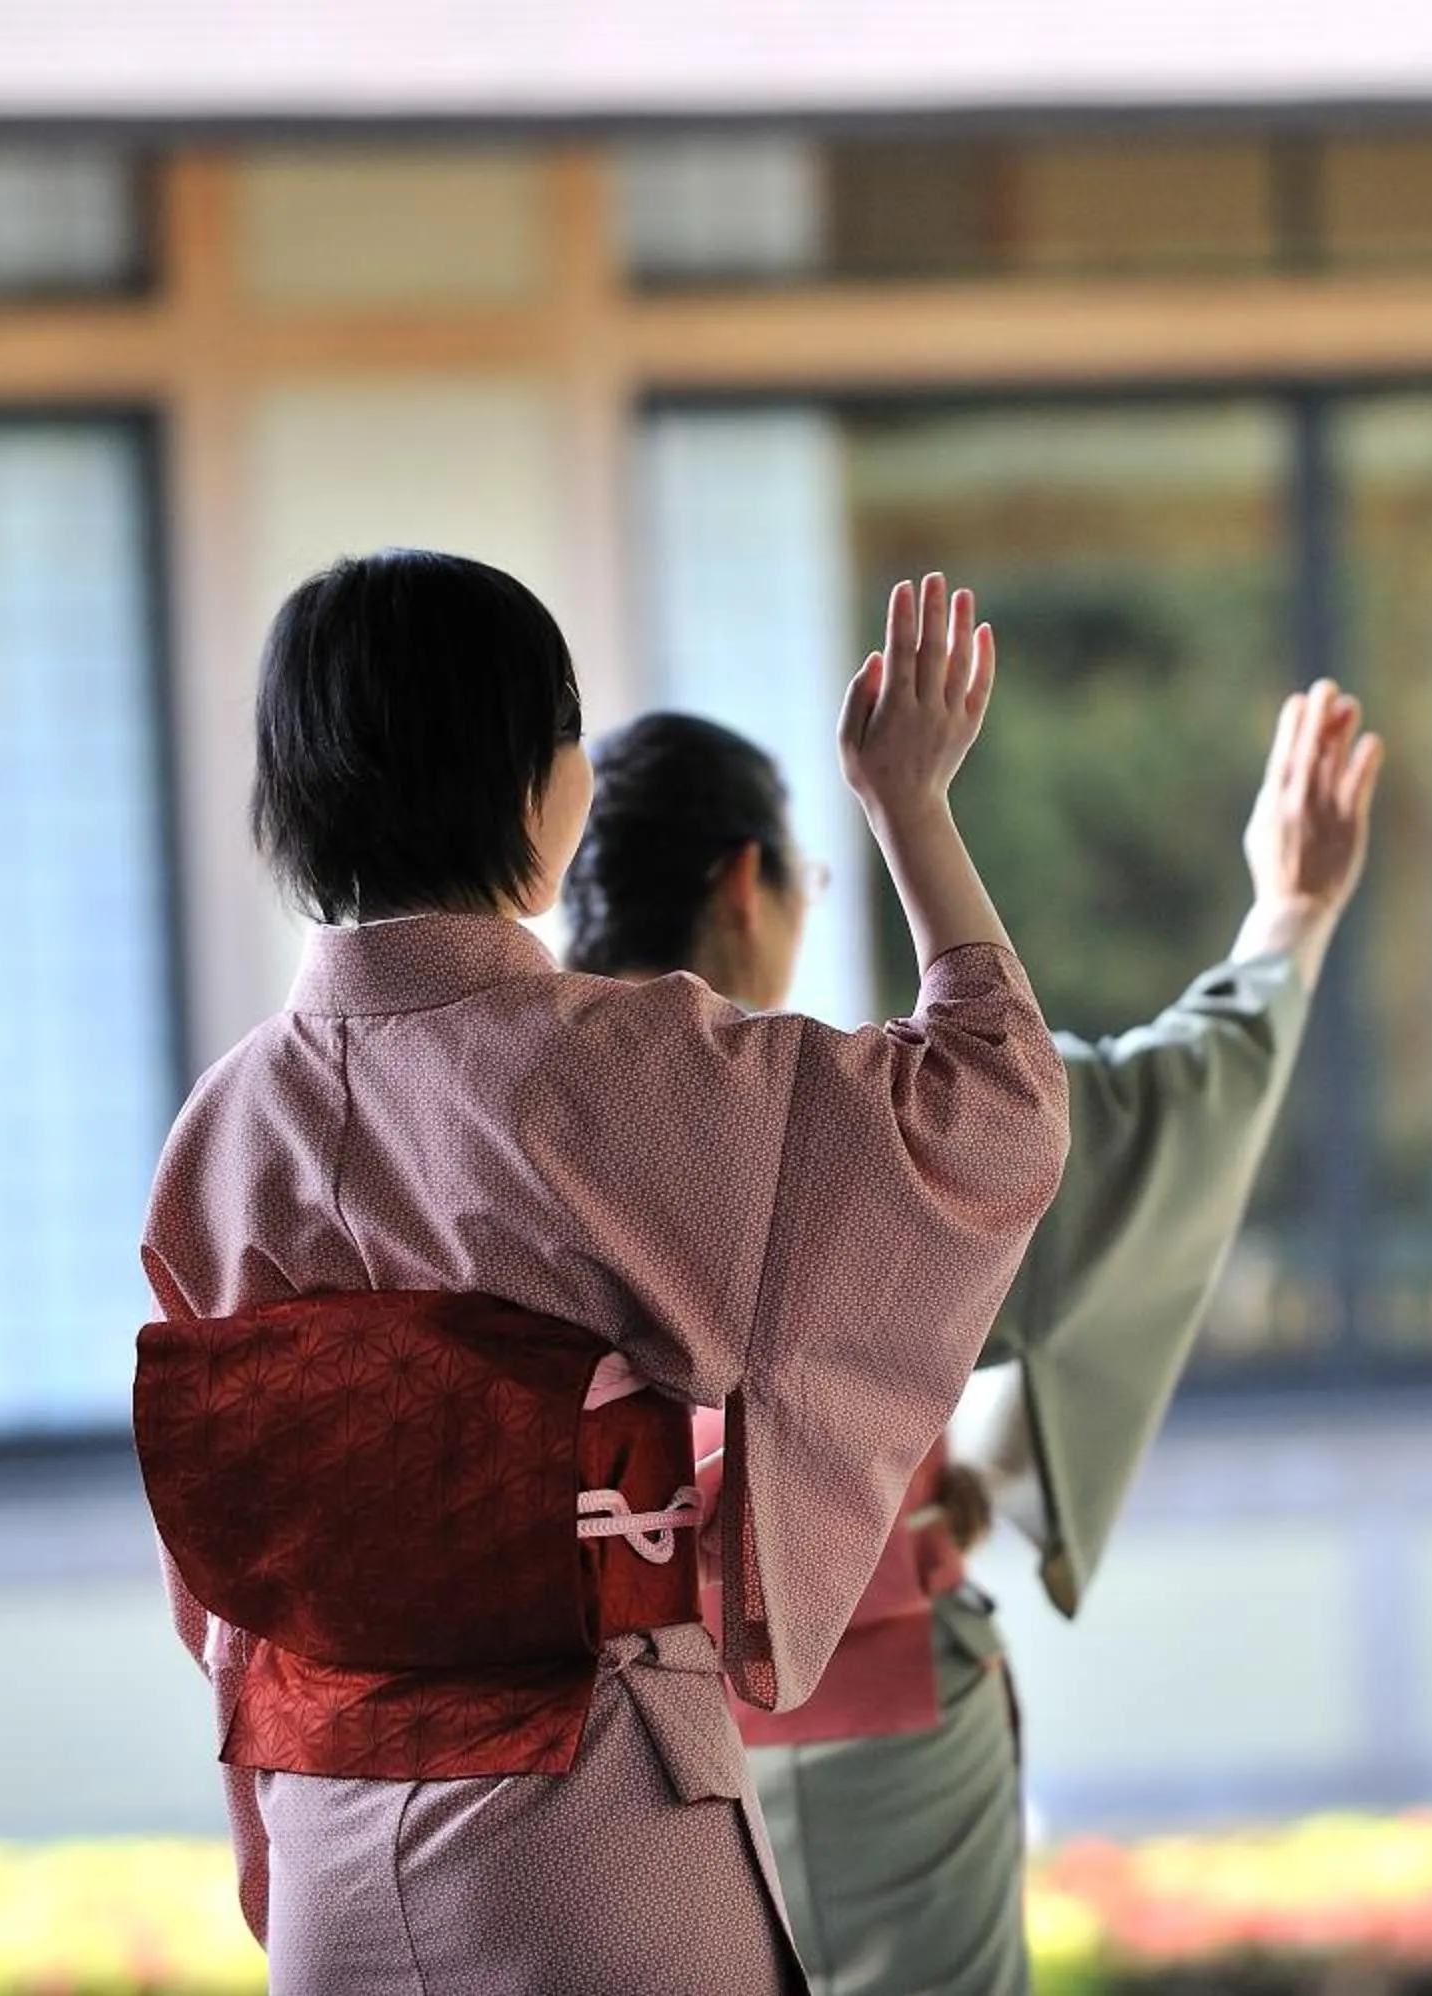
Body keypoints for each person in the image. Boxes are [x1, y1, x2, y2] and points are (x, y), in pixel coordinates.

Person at [134, 553, 1068, 1996]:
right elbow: (991, 1109)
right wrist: (910, 806)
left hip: (328, 1854)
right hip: (582, 1838)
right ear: (529, 778)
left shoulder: (221, 1133)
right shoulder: (622, 1071)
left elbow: (225, 1592)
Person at [563, 680, 1384, 1995]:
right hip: (859, 1715)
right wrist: (1288, 914)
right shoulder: (834, 1119)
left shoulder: (508, 1118)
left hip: (589, 1745)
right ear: (743, 885)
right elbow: (1123, 1127)